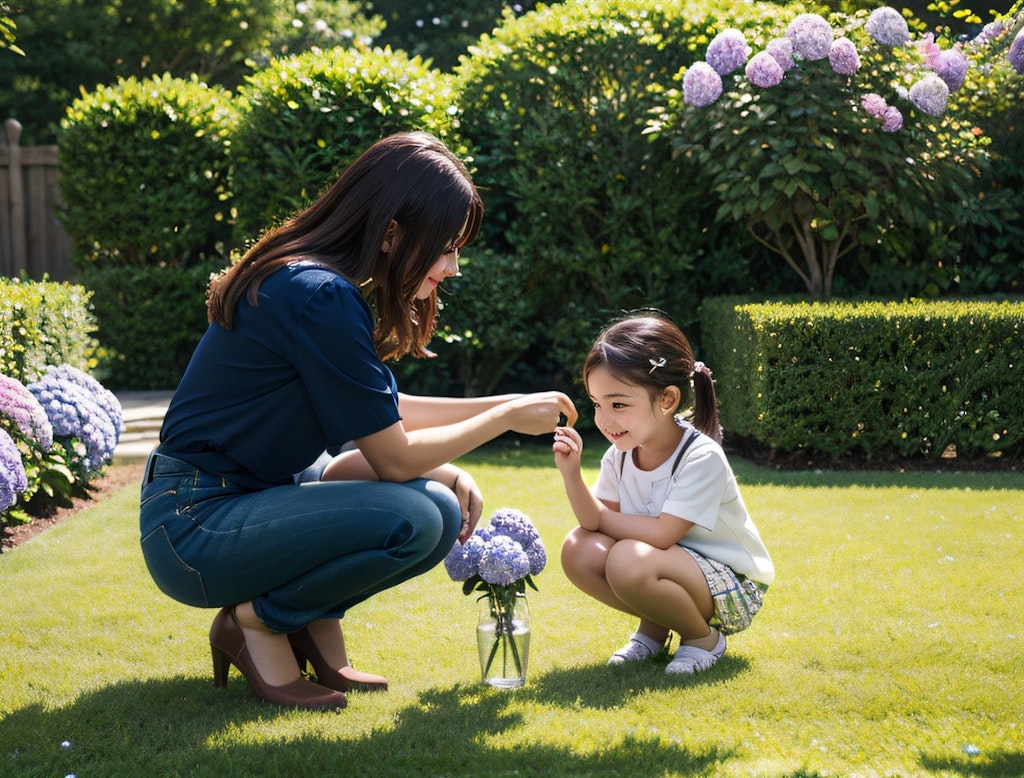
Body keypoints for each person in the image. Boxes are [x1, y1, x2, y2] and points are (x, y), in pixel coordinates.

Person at [139, 131, 578, 711]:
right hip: (196, 523)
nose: (453, 266)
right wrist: (501, 417)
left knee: (433, 503)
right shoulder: (321, 296)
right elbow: (393, 456)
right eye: (445, 247)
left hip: (237, 496)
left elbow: (383, 411)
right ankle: (259, 623)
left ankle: (310, 630)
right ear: (392, 233)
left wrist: (508, 405)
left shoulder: (314, 283)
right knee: (422, 519)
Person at [552, 312, 773, 675]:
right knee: (579, 548)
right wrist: (571, 473)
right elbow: (592, 524)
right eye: (597, 404)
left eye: (618, 404)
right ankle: (653, 631)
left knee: (627, 557)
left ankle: (702, 638)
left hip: (732, 587)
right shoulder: (619, 456)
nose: (604, 420)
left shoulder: (700, 456)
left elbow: (662, 534)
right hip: (667, 567)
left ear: (667, 399)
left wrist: (603, 520)